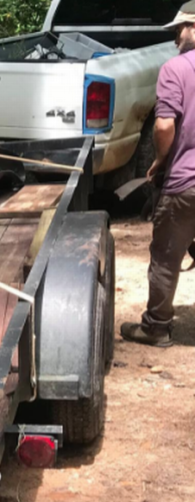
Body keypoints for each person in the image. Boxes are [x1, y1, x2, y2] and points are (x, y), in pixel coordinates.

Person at [121, 1, 195, 347]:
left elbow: (165, 125)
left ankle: (156, 328)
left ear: (192, 28)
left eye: (177, 29)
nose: (174, 37)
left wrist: (161, 161)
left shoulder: (175, 69)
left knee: (166, 255)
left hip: (185, 184)